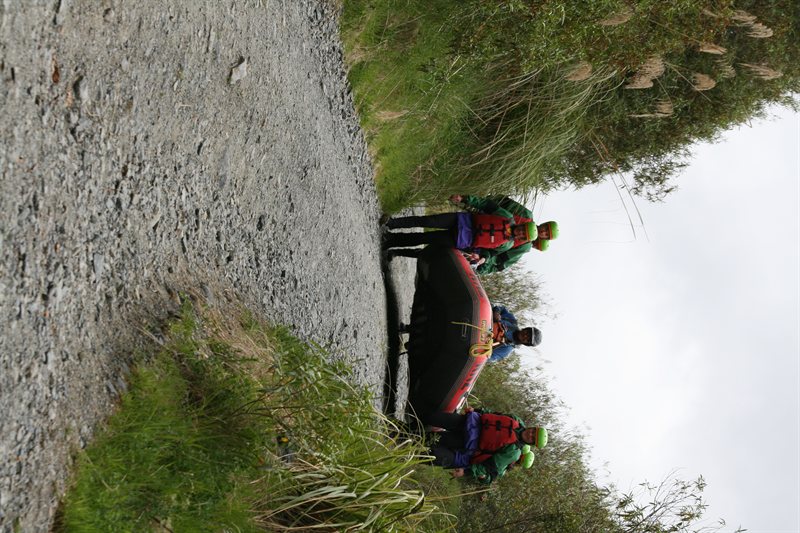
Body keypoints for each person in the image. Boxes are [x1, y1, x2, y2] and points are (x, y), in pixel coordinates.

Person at [383, 195, 557, 270]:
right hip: (462, 221)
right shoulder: (509, 217)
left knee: (424, 238)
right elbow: (489, 205)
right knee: (427, 221)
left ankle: (391, 242)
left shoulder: (511, 245)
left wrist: (482, 259)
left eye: (545, 235)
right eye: (544, 230)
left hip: (461, 240)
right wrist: (465, 199)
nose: (520, 234)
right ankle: (392, 223)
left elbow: (493, 255)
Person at [425, 408, 548, 485]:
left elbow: (490, 466)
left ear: (531, 444)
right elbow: (493, 414)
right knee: (432, 417)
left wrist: (467, 471)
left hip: (468, 443)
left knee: (430, 440)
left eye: (533, 438)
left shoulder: (514, 452)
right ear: (533, 428)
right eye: (533, 431)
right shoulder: (516, 420)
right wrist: (477, 410)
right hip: (468, 423)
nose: (530, 434)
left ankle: (409, 439)